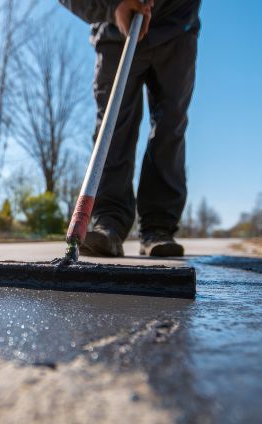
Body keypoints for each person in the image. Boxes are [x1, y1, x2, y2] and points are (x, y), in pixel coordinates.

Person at [60, 0, 201, 257]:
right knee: (111, 129)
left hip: (177, 27)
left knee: (170, 126)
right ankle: (109, 223)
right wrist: (112, 7)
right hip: (115, 32)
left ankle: (158, 228)